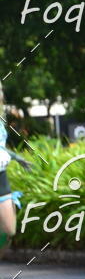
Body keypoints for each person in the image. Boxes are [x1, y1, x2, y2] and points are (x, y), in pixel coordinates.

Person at [0, 82, 31, 251]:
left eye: (0, 89)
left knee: (9, 231)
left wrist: (17, 157)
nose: (1, 93)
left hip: (1, 177)